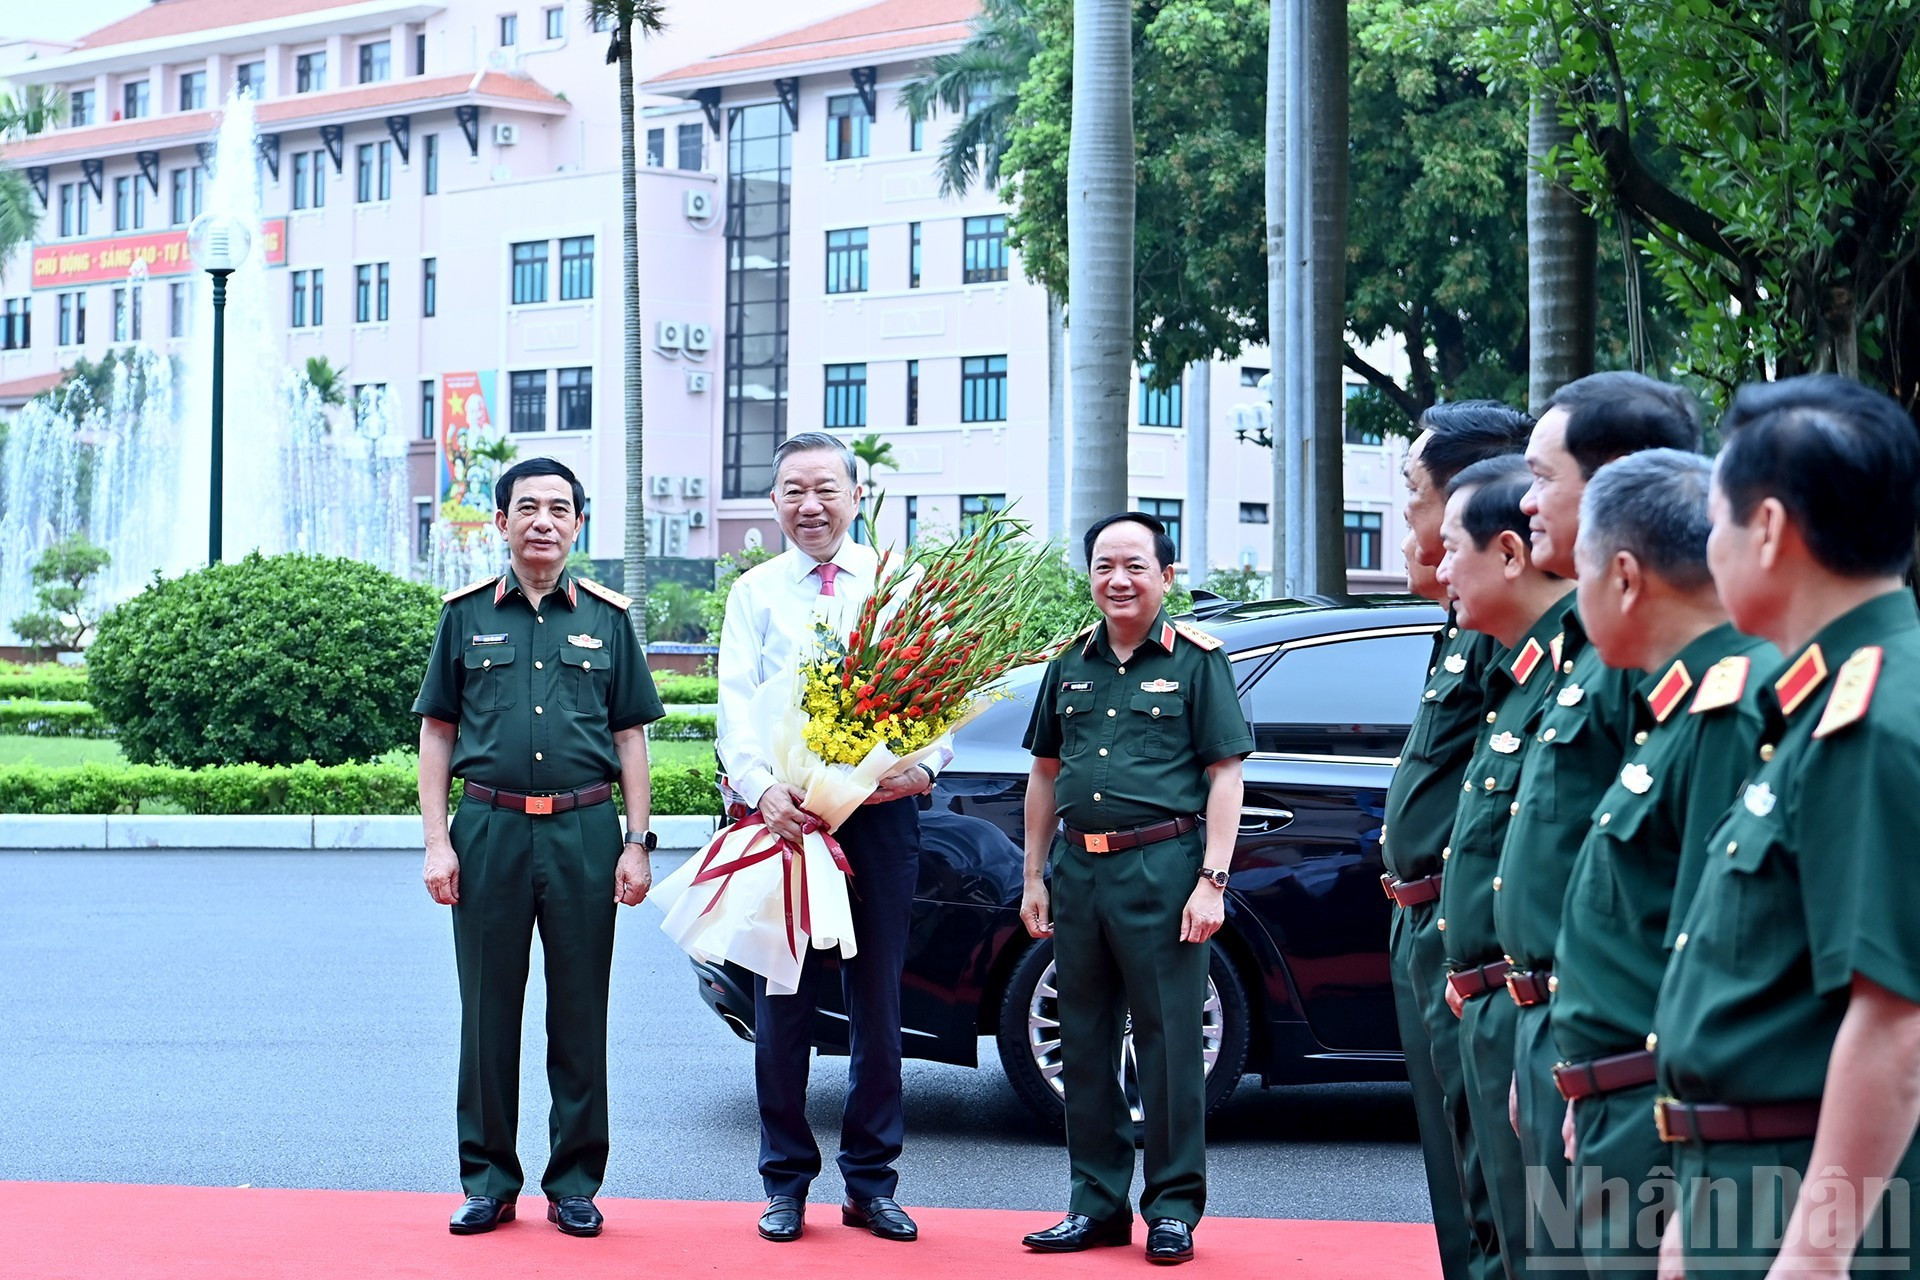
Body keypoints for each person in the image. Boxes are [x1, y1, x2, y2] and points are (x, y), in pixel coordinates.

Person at [1653, 376, 1920, 1279]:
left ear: (1766, 529)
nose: (1706, 548)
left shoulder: (1873, 718)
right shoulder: (1822, 701)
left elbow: (1896, 1020)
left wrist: (1813, 1255)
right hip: (1740, 1184)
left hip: (1801, 1204)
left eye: (1715, 521)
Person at [413, 456, 665, 1238]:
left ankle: (576, 1181)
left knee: (580, 1012)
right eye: (527, 508)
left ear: (578, 524)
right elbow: (437, 734)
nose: (543, 522)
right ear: (501, 522)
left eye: (559, 508)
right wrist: (435, 844)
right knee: (487, 1013)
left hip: (585, 831)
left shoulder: (607, 618)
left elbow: (629, 737)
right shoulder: (462, 617)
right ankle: (489, 1179)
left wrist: (637, 843)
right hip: (485, 829)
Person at [1548, 450, 1772, 1273]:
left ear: (1627, 577)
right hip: (1622, 1097)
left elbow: (1713, 947)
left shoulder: (1729, 711)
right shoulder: (1676, 706)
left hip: (1664, 1118)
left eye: (1578, 572)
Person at [1498, 373, 1701, 1269]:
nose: (1526, 499)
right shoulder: (1584, 642)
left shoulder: (1659, 660)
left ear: (1618, 478)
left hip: (1630, 1070)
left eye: (1543, 476)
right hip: (1564, 1036)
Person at [715, 432, 937, 1245]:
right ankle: (785, 1184)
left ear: (854, 494)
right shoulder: (755, 593)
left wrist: (927, 765)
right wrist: (761, 789)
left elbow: (940, 690)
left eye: (825, 489)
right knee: (782, 1006)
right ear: (774, 501)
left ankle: (871, 1185)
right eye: (792, 490)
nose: (809, 506)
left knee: (877, 1005)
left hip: (878, 819)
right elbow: (735, 706)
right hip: (785, 825)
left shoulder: (899, 582)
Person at [1016, 512, 1252, 1267]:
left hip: (1165, 869)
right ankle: (1096, 1204)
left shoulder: (1197, 663)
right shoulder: (1068, 664)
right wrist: (1033, 876)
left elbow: (1226, 776)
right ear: (1090, 576)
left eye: (1135, 566)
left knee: (1169, 1045)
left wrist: (1212, 880)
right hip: (1078, 872)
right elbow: (1045, 775)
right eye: (1104, 566)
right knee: (1083, 1043)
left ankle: (1174, 1208)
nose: (1118, 579)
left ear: (1166, 577)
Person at [1385, 401, 1533, 1280]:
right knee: (1454, 1162)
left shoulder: (1506, 637)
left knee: (1491, 1183)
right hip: (1426, 923)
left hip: (1463, 927)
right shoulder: (1459, 626)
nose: (1404, 510)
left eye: (1412, 488)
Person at [1433, 455, 1573, 1279]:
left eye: (1454, 547)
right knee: (1495, 1230)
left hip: (1552, 1010)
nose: (1440, 567)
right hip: (1501, 995)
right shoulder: (1524, 671)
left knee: (1538, 1246)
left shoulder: (1584, 674)